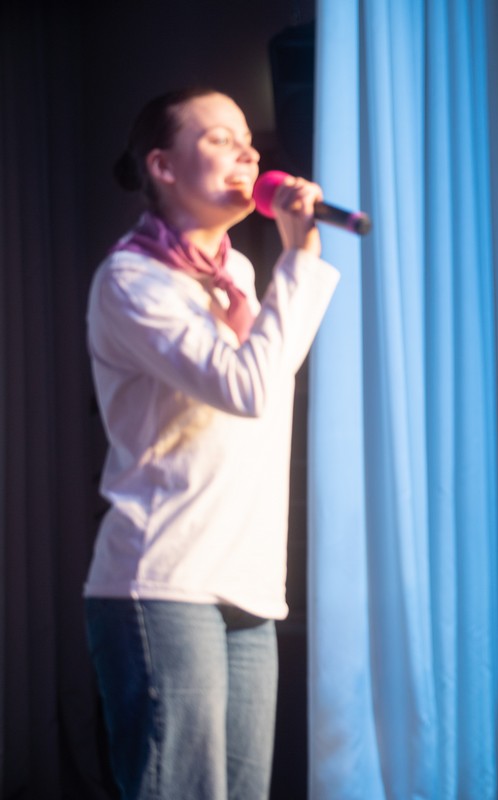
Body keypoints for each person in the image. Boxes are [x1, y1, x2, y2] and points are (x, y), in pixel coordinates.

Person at [83, 87, 340, 800]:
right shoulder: (132, 280)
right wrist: (300, 256)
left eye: (247, 140)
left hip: (246, 577)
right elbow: (248, 387)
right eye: (220, 138)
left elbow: (260, 396)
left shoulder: (236, 277)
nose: (247, 152)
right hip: (165, 578)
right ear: (162, 166)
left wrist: (281, 274)